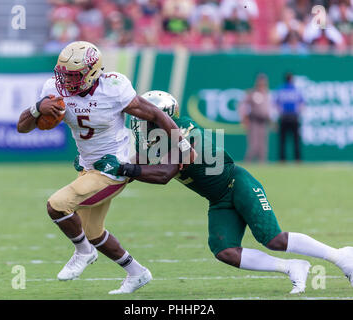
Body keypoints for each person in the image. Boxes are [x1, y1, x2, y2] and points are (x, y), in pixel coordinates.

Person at [97, 90, 353, 294]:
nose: (140, 123)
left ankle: (341, 257)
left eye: (147, 118)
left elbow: (163, 174)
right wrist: (98, 171)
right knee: (225, 251)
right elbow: (135, 166)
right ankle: (292, 267)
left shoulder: (185, 133)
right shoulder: (153, 137)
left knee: (273, 238)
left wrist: (123, 167)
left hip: (237, 184)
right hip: (218, 199)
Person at [16, 42, 194, 294]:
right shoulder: (54, 89)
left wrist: (183, 146)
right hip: (89, 167)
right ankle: (137, 272)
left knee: (57, 205)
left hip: (114, 168)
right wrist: (37, 109)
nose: (65, 80)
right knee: (92, 231)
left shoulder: (113, 88)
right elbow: (22, 127)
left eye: (72, 75)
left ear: (91, 72)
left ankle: (83, 252)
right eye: (63, 73)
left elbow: (155, 114)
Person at [238, 73, 273, 163]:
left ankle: (262, 164)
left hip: (264, 122)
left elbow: (268, 110)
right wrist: (244, 119)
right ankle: (248, 163)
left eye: (264, 81)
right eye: (260, 81)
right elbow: (243, 106)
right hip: (254, 121)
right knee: (254, 145)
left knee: (263, 146)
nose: (262, 83)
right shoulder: (252, 93)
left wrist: (271, 122)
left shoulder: (267, 93)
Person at [275, 72, 304, 162]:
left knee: (283, 141)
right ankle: (297, 160)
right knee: (295, 140)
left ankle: (282, 160)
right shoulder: (296, 90)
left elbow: (275, 104)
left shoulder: (280, 89)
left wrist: (280, 113)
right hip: (294, 117)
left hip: (284, 117)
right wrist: (298, 113)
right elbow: (302, 104)